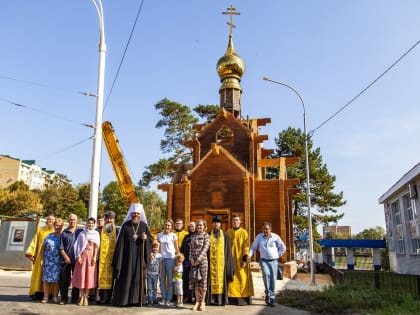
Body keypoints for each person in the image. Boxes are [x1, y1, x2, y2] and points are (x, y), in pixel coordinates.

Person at [112, 203, 152, 307]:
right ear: (131, 213)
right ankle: (124, 300)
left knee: (138, 278)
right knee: (126, 277)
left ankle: (137, 300)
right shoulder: (125, 226)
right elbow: (120, 243)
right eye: (134, 213)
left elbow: (151, 240)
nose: (135, 214)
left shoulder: (144, 226)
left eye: (137, 213)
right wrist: (119, 258)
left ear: (140, 214)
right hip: (127, 258)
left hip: (139, 258)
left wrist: (146, 239)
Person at [247, 222, 286, 307]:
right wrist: (250, 255)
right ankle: (268, 293)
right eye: (264, 229)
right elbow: (253, 247)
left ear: (270, 229)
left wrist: (278, 255)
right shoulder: (259, 237)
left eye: (267, 229)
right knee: (266, 275)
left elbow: (283, 247)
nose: (265, 231)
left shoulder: (275, 237)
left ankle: (271, 297)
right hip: (263, 260)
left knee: (272, 278)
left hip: (274, 261)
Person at [25, 214, 55, 300]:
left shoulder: (55, 231)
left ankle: (50, 293)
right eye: (49, 219)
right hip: (40, 257)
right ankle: (37, 292)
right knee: (39, 273)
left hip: (51, 257)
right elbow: (34, 242)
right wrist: (31, 254)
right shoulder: (40, 230)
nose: (50, 221)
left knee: (50, 275)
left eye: (52, 220)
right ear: (46, 220)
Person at [207, 215, 235, 306]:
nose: (216, 224)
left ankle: (221, 300)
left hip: (221, 264)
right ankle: (210, 300)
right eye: (214, 223)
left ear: (220, 224)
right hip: (210, 263)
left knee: (222, 281)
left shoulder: (225, 236)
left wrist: (228, 264)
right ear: (212, 224)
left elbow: (228, 252)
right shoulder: (208, 235)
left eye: (218, 223)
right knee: (209, 281)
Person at [72, 217, 100, 306]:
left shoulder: (96, 234)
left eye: (92, 223)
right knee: (82, 276)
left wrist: (95, 257)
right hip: (83, 256)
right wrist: (79, 256)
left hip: (91, 256)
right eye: (89, 223)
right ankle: (81, 297)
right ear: (87, 224)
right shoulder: (82, 234)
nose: (90, 224)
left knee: (89, 277)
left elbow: (96, 246)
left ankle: (86, 297)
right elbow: (78, 245)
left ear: (94, 224)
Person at [227, 214, 254, 305]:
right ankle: (232, 299)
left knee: (242, 278)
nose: (235, 222)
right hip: (231, 260)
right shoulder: (228, 232)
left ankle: (243, 299)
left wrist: (244, 259)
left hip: (241, 260)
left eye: (237, 220)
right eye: (233, 220)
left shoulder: (244, 232)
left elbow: (246, 246)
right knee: (232, 279)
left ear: (240, 222)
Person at [59, 213, 83, 305]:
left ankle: (74, 298)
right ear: (68, 221)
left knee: (76, 280)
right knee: (64, 280)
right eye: (71, 219)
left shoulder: (80, 232)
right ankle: (64, 298)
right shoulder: (64, 232)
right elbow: (61, 247)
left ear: (77, 221)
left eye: (74, 219)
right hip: (66, 260)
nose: (72, 221)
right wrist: (66, 257)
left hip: (77, 260)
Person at [39, 218, 64, 303]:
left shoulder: (63, 236)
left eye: (60, 226)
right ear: (54, 226)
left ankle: (55, 296)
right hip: (48, 261)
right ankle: (45, 297)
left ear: (62, 227)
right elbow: (42, 249)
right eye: (56, 225)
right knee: (46, 280)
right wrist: (41, 259)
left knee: (56, 280)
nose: (58, 227)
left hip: (58, 262)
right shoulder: (49, 236)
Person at [96, 210, 119, 304]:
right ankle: (98, 297)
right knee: (99, 276)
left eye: (111, 218)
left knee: (111, 278)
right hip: (100, 258)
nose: (109, 220)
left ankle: (109, 298)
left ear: (114, 219)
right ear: (105, 219)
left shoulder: (118, 230)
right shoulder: (99, 230)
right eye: (107, 218)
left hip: (112, 258)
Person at [157, 219, 179, 307]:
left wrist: (178, 259)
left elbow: (176, 248)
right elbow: (157, 247)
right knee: (161, 280)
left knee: (170, 280)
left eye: (169, 225)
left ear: (171, 227)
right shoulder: (159, 235)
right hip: (161, 259)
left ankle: (169, 299)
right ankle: (163, 298)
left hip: (171, 259)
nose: (167, 227)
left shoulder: (173, 235)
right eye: (166, 225)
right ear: (164, 226)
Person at [189, 219, 210, 311]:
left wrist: (198, 259)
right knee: (195, 282)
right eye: (198, 225)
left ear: (204, 227)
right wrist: (191, 259)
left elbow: (205, 248)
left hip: (203, 262)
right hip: (193, 263)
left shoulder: (206, 236)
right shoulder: (193, 236)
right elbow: (190, 249)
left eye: (201, 225)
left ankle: (203, 302)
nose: (199, 227)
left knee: (203, 282)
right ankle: (197, 301)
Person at [180, 221, 196, 303]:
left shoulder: (198, 236)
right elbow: (182, 249)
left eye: (193, 226)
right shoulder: (186, 237)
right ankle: (187, 296)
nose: (191, 228)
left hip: (196, 262)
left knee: (195, 278)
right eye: (190, 226)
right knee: (186, 277)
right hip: (187, 261)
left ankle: (195, 297)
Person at [146, 240, 162, 306]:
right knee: (149, 288)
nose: (155, 249)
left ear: (159, 248)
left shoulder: (160, 255)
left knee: (155, 288)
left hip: (155, 274)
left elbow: (160, 265)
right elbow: (148, 262)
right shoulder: (150, 254)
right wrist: (150, 256)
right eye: (154, 247)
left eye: (157, 247)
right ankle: (150, 300)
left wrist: (160, 273)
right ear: (152, 248)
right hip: (149, 273)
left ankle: (155, 299)